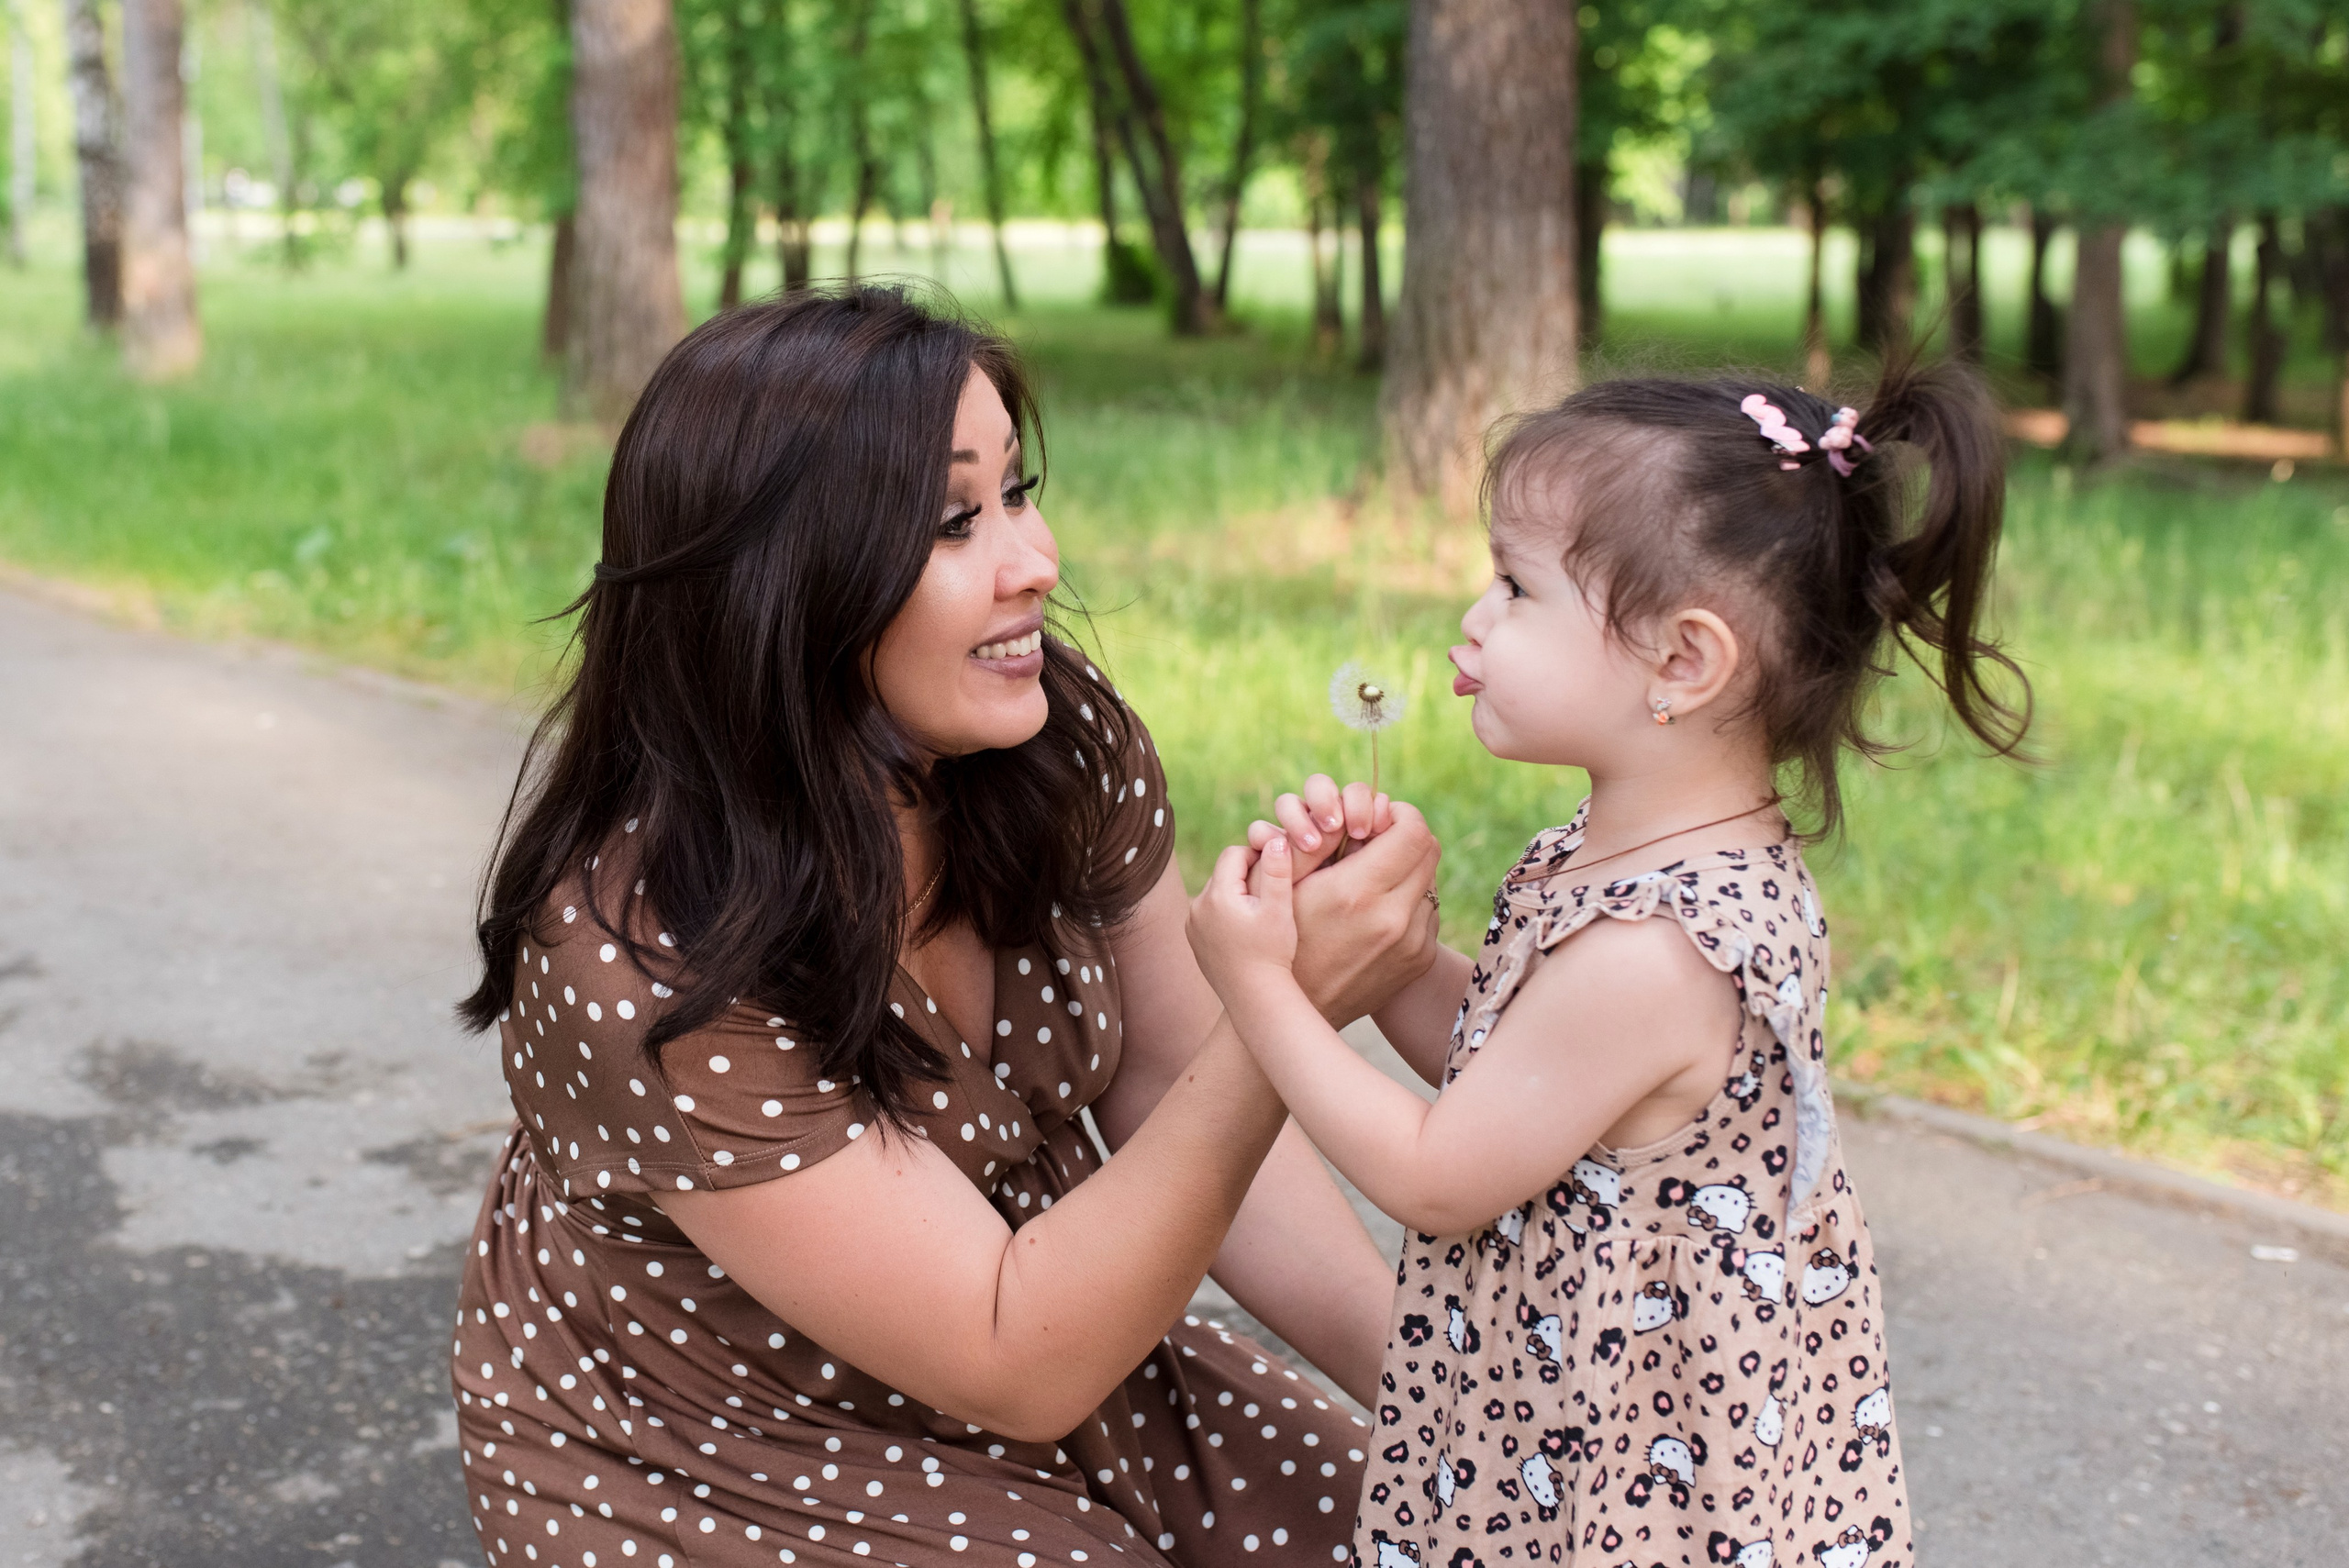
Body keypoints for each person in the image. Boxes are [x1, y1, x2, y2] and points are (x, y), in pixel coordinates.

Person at [448, 286, 1442, 1568]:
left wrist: (1449, 1408)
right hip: (717, 1435)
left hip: (1067, 1327)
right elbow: (1011, 1351)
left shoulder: (1047, 738)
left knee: (1430, 1527)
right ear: (785, 586)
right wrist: (1283, 1008)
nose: (1036, 561)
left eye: (1019, 494)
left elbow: (1169, 1083)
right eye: (953, 521)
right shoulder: (638, 951)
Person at [1186, 361, 2031, 1568]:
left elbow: (1440, 1174)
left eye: (1517, 586)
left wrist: (1261, 988)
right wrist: (1395, 961)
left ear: (1685, 663)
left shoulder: (1656, 950)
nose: (1475, 617)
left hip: (1625, 1471)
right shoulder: (1623, 848)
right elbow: (1520, 1082)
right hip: (1569, 1405)